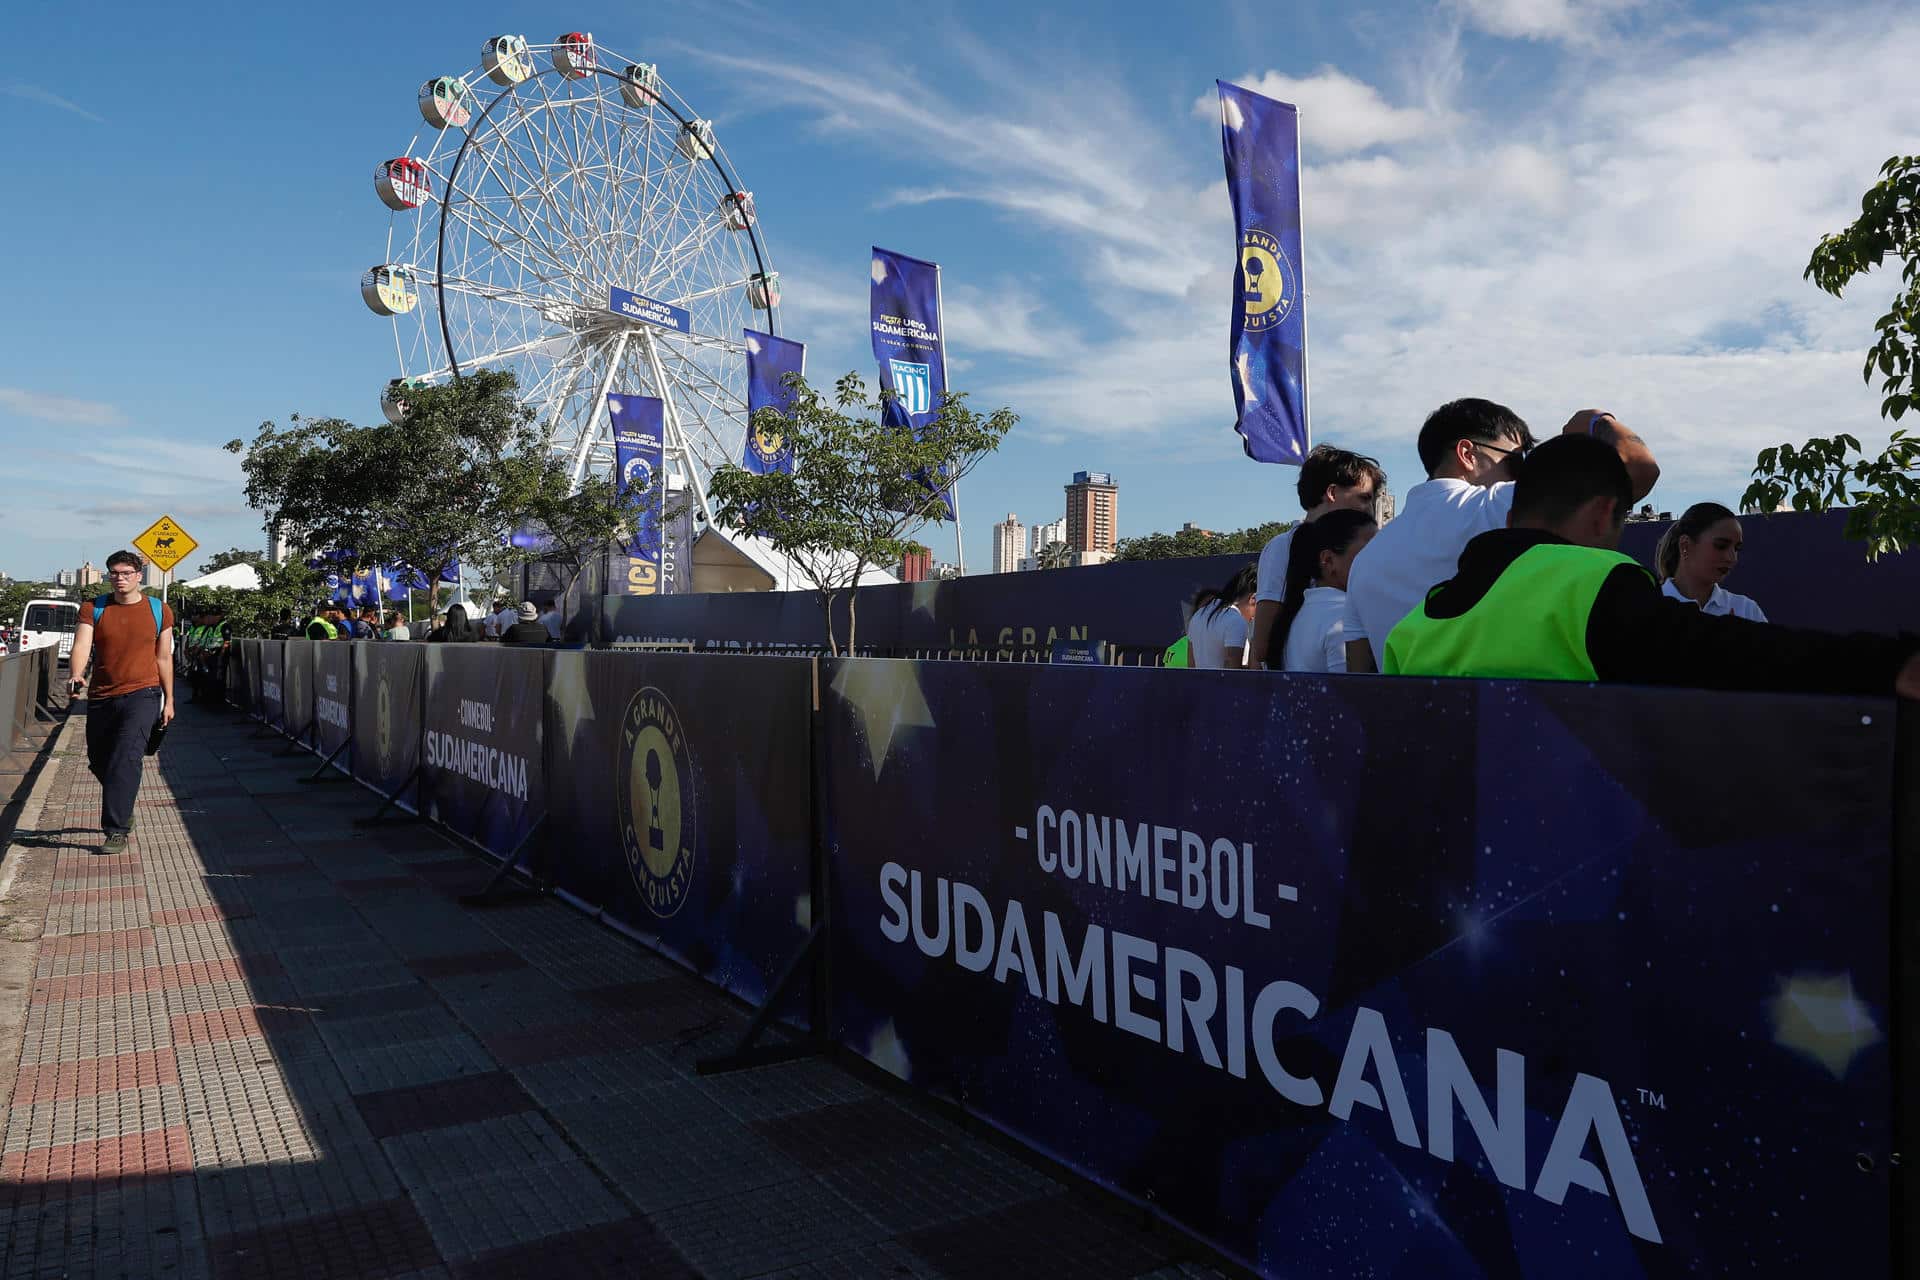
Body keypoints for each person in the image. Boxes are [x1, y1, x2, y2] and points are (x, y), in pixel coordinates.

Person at [1382, 435, 1920, 696]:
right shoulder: (1593, 584)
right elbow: (1734, 655)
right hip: (1576, 873)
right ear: (1602, 515)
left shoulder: (1416, 625)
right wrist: (1889, 664)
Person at [1343, 401, 1660, 673]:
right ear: (1466, 454)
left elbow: (1359, 674)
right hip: (1520, 725)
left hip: (1420, 735)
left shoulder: (1365, 561)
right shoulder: (1493, 506)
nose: (1526, 475)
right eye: (1516, 460)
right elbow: (1637, 466)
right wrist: (1596, 420)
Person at [65, 551, 174, 855]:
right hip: (101, 696)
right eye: (114, 572)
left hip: (144, 694)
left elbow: (164, 657)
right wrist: (76, 674)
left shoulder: (159, 610)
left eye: (126, 572)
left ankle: (116, 829)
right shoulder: (94, 608)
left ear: (140, 575)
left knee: (125, 759)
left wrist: (170, 701)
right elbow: (82, 645)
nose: (120, 577)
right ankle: (123, 803)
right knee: (100, 761)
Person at [1249, 445, 1386, 668]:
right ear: (1332, 493)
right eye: (1364, 498)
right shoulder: (1282, 547)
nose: (1370, 509)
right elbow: (1263, 646)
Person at [1268, 510, 1378, 673]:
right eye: (1369, 553)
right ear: (1328, 560)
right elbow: (1348, 693)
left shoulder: (1300, 612)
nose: (1378, 561)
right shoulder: (1343, 617)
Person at [1655, 502, 1765, 621]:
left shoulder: (1746, 610)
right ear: (1685, 545)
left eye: (1737, 549)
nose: (1732, 558)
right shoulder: (1646, 606)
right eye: (1721, 546)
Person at [1182, 565, 1258, 669]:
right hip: (1224, 685)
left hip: (1199, 684)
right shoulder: (1236, 620)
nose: (1255, 616)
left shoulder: (1199, 614)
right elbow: (1232, 670)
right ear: (1253, 598)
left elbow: (1191, 664)